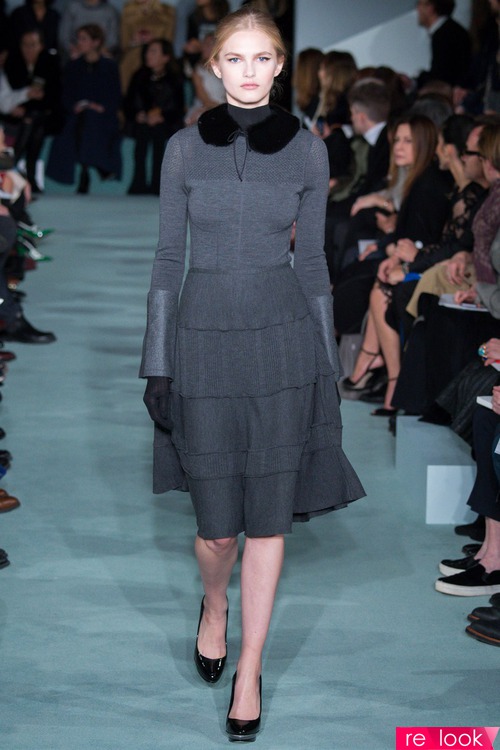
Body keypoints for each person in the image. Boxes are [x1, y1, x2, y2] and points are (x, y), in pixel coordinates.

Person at [140, 6, 364, 741]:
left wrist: (326, 366)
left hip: (282, 345)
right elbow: (168, 258)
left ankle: (251, 670)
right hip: (202, 342)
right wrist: (157, 360)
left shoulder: (307, 152)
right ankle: (215, 603)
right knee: (217, 534)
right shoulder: (182, 150)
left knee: (268, 522)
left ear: (279, 66)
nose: (247, 71)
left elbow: (314, 264)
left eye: (261, 57)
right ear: (213, 67)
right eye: (233, 58)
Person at [46, 24, 122, 193]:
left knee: (88, 121)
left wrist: (100, 107)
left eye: (83, 39)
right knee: (82, 122)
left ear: (96, 42)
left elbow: (115, 95)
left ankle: (85, 171)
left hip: (102, 117)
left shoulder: (110, 67)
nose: (79, 42)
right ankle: (92, 169)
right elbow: (66, 95)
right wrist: (76, 106)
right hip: (78, 115)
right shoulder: (73, 66)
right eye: (78, 39)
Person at [124, 37, 184, 194]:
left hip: (166, 122)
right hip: (142, 121)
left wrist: (162, 116)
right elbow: (128, 103)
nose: (148, 55)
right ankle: (138, 183)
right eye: (148, 51)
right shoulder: (139, 76)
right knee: (141, 136)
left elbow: (178, 107)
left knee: (159, 136)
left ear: (166, 57)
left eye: (153, 52)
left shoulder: (174, 79)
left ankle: (158, 184)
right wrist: (138, 114)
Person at [119, 0, 176, 94]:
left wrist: (154, 40)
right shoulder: (128, 10)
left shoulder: (167, 11)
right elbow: (124, 44)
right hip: (132, 60)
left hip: (157, 62)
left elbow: (168, 43)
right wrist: (134, 40)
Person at [416, 0, 471, 88]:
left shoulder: (445, 34)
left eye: (419, 4)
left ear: (430, 8)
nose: (417, 9)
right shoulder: (449, 30)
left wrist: (420, 78)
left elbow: (441, 77)